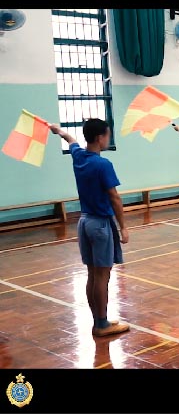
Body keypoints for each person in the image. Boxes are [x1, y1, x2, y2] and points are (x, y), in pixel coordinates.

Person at [49, 119, 130, 337]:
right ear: (99, 138)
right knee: (103, 276)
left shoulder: (78, 156)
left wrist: (58, 131)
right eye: (107, 135)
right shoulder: (103, 164)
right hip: (100, 225)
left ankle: (99, 320)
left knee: (92, 274)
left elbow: (71, 140)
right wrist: (123, 228)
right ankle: (101, 325)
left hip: (84, 222)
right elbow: (115, 198)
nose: (109, 139)